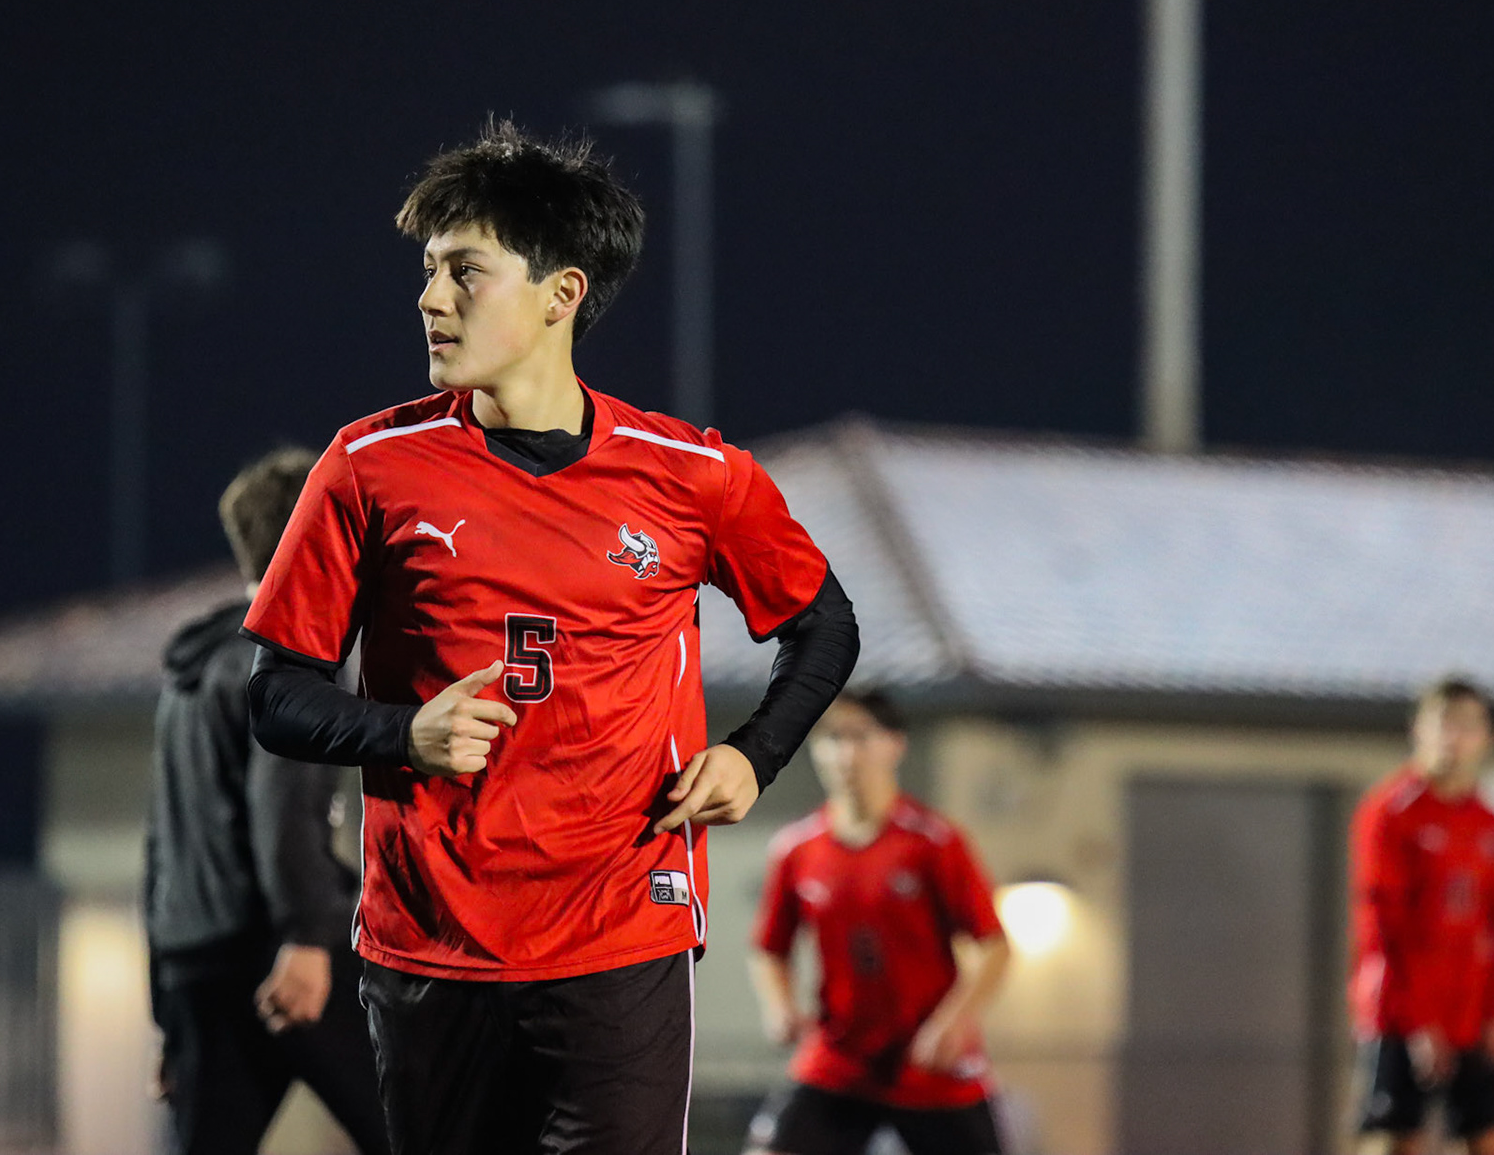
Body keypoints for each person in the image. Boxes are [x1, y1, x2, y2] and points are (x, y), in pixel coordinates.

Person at [243, 121, 861, 1154]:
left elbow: (823, 625)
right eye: (429, 271)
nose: (431, 298)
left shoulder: (694, 474)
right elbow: (274, 692)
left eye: (464, 271)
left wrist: (754, 757)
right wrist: (404, 733)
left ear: (560, 293)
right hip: (431, 941)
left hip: (623, 931)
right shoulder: (368, 465)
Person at [144, 447, 389, 1155]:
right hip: (279, 950)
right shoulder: (291, 654)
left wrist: (167, 1018)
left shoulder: (191, 673)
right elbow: (282, 810)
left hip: (194, 966)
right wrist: (306, 936)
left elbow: (160, 847)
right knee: (417, 1128)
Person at [745, 691, 1011, 1155]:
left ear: (895, 745)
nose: (846, 754)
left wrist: (952, 1024)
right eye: (833, 739)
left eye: (861, 737)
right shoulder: (796, 848)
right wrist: (780, 1005)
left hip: (926, 1057)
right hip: (841, 1056)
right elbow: (769, 947)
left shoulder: (933, 842)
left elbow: (993, 945)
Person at [1350, 676, 1494, 1155]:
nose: (1454, 737)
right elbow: (1383, 926)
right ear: (1417, 729)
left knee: (1489, 1136)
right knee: (1396, 1138)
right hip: (1399, 1012)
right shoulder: (1389, 812)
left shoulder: (1491, 825)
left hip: (1469, 1013)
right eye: (1444, 722)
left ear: (1487, 738)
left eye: (1467, 725)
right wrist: (1418, 1021)